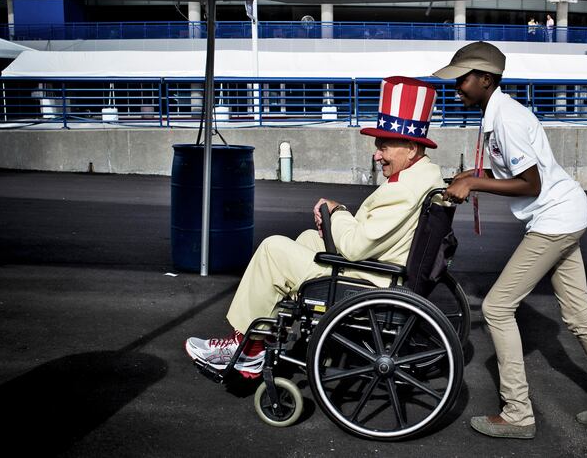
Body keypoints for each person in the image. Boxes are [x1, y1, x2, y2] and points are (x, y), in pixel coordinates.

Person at [434, 41, 587, 440]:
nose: (456, 86)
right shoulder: (497, 114)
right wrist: (472, 175)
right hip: (563, 214)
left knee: (496, 306)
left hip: (554, 219)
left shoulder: (507, 119)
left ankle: (518, 414)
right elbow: (517, 172)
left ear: (486, 79)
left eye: (462, 79)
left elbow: (531, 183)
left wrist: (475, 181)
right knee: (580, 317)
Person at [185, 76, 445, 377]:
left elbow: (356, 246)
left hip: (373, 281)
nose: (376, 154)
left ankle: (247, 348)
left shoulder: (404, 190)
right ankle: (266, 327)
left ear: (411, 147)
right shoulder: (426, 176)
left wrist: (338, 211)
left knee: (273, 249)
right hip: (385, 268)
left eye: (383, 147)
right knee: (309, 238)